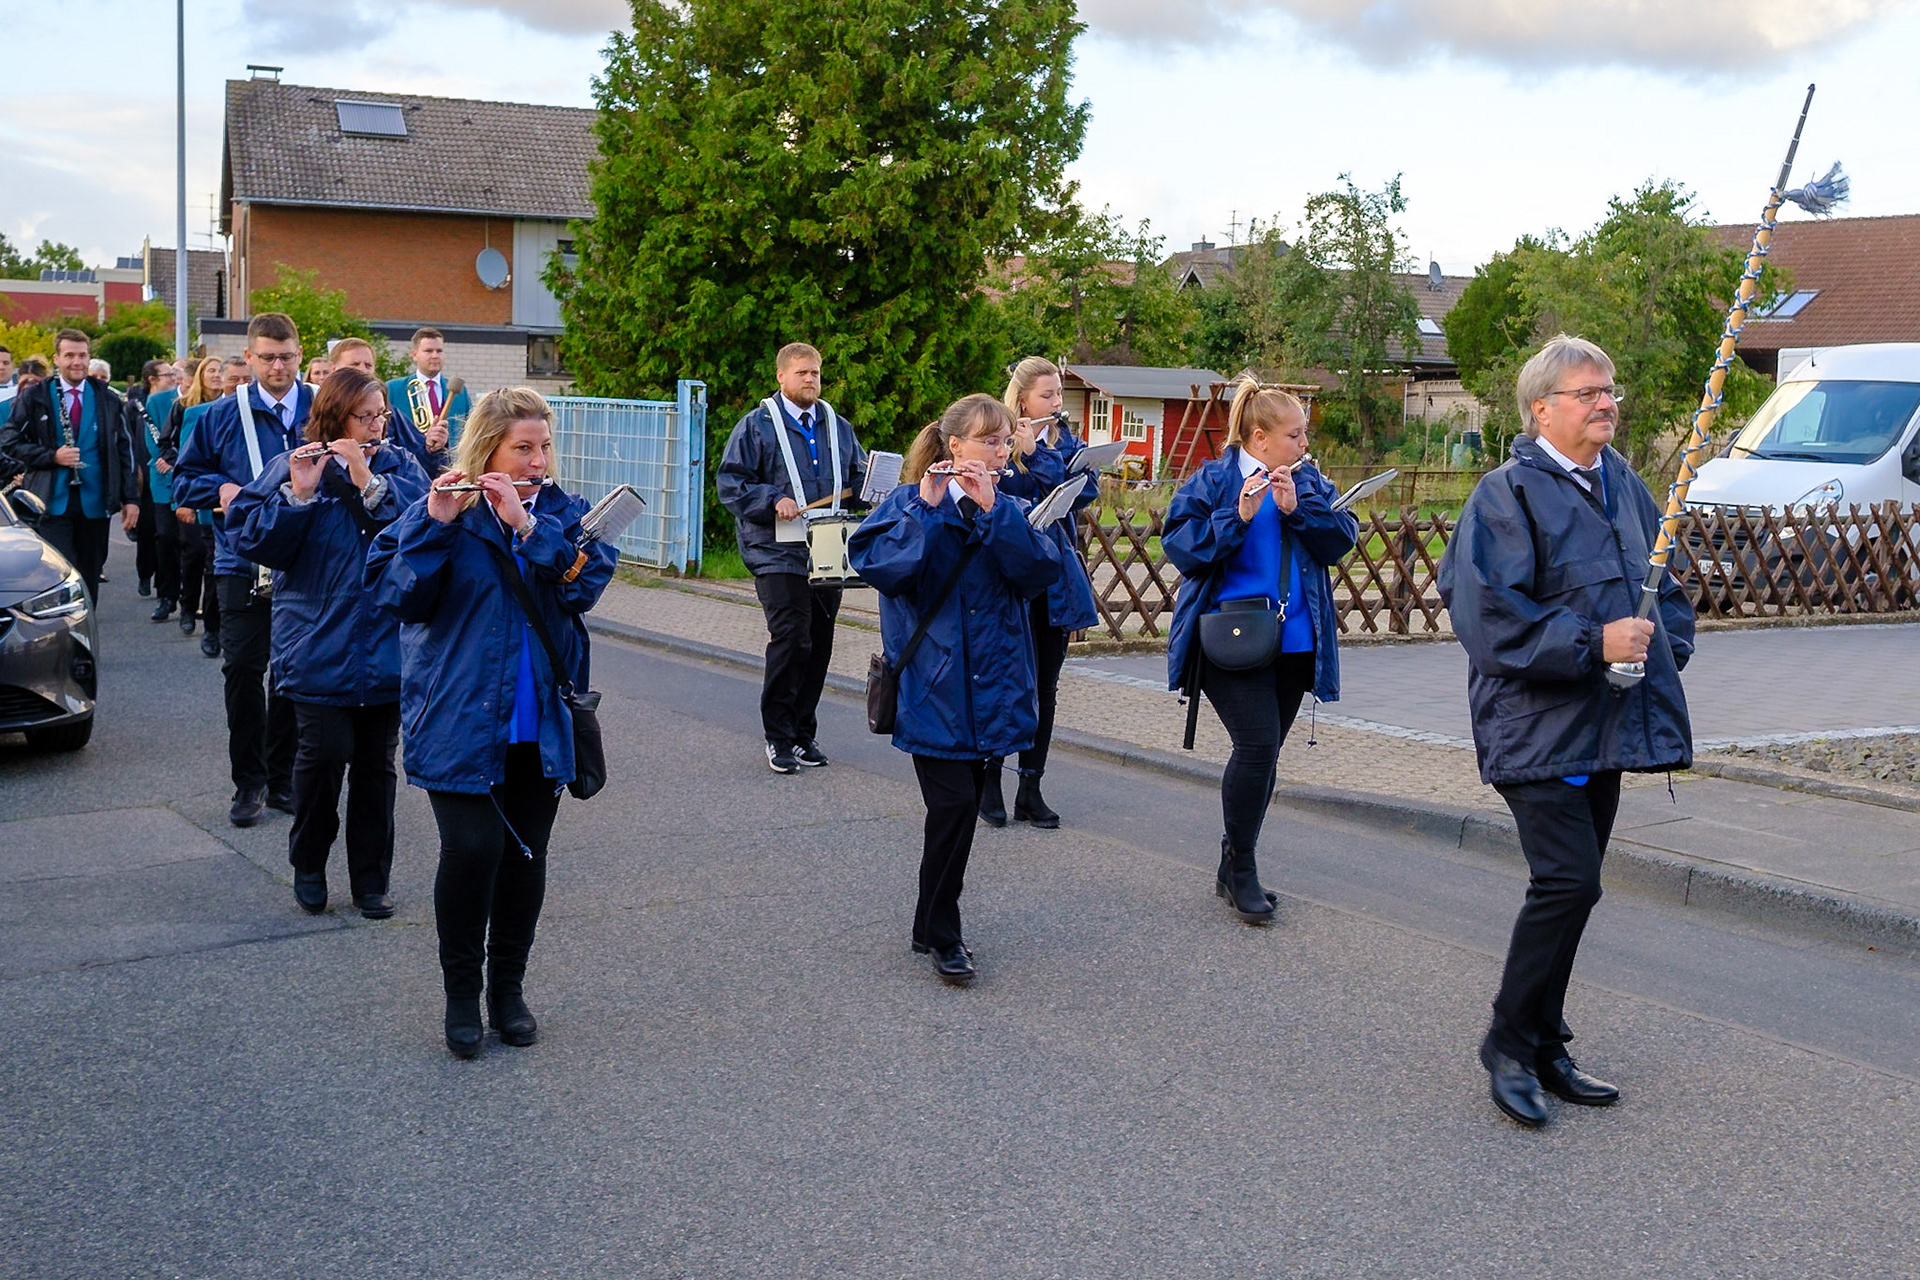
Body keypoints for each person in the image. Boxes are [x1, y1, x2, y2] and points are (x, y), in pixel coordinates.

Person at [1437, 335, 1694, 1129]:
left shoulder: (1625, 485)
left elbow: (1664, 586)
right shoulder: (1504, 496)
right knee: (1568, 882)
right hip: (1535, 728)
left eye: (1609, 389)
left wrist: (1655, 649)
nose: (1606, 403)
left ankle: (1547, 1043)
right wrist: (1593, 645)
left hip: (1606, 722)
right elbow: (1490, 616)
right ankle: (1508, 1043)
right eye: (1588, 393)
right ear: (1542, 408)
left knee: (1576, 889)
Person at [366, 386, 616, 1058]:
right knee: (474, 850)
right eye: (522, 448)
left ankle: (508, 991)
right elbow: (398, 598)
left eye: (543, 447)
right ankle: (459, 994)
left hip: (540, 720)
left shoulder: (566, 516)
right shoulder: (439, 510)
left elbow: (580, 587)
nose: (538, 461)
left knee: (524, 857)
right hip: (457, 711)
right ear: (489, 450)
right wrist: (437, 521)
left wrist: (530, 528)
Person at [848, 394, 1061, 985]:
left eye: (1003, 440)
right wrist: (925, 508)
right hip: (932, 687)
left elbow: (1040, 574)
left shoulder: (1010, 507)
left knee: (956, 816)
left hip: (991, 689)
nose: (999, 451)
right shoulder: (907, 502)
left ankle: (927, 921)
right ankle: (945, 933)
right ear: (954, 446)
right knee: (955, 806)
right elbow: (881, 568)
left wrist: (995, 513)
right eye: (988, 441)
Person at [231, 369, 429, 920]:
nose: (376, 425)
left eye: (381, 415)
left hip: (386, 648)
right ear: (334, 417)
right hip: (317, 644)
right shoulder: (291, 466)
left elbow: (424, 531)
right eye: (364, 416)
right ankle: (309, 863)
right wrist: (298, 497)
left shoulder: (398, 466)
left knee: (376, 771)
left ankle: (371, 880)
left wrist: (370, 482)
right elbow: (250, 539)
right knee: (321, 763)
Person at [1162, 379, 1357, 925]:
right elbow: (1181, 547)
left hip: (1295, 641)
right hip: (1230, 638)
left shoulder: (1308, 478)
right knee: (1256, 746)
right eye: (1295, 435)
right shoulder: (1215, 478)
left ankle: (1233, 862)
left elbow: (1340, 540)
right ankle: (1242, 868)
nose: (1304, 443)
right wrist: (1238, 518)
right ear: (1259, 437)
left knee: (1266, 754)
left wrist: (1299, 510)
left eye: (1303, 434)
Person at [174, 314, 312, 827]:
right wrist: (222, 490)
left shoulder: (322, 408)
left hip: (307, 564)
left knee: (294, 676)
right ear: (249, 359)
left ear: (299, 354)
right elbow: (184, 480)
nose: (278, 366)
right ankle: (248, 782)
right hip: (242, 561)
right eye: (267, 357)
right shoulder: (221, 414)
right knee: (244, 672)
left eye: (287, 356)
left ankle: (283, 779)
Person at [716, 342, 869, 773]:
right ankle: (778, 736)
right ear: (781, 376)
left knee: (819, 642)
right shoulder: (756, 426)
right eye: (802, 372)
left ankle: (803, 733)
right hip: (774, 549)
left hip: (827, 548)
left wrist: (872, 487)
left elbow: (855, 480)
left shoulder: (837, 425)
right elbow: (731, 483)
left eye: (816, 373)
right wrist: (771, 498)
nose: (810, 380)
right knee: (792, 637)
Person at [981, 357, 1102, 829]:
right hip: (1010, 580)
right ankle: (989, 780)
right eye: (1048, 395)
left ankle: (1030, 787)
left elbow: (1081, 489)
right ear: (1023, 398)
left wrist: (1041, 453)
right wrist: (1022, 452)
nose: (1057, 403)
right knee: (1004, 681)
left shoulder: (1059, 441)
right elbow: (1008, 493)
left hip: (1052, 579)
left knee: (1045, 690)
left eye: (1059, 395)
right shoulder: (998, 439)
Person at [0, 328, 141, 597]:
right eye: (69, 356)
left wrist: (130, 498)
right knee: (58, 572)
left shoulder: (108, 397)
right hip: (52, 499)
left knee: (90, 573)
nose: (77, 362)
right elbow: (9, 441)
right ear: (56, 359)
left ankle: (85, 629)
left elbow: (125, 450)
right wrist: (51, 456)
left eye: (82, 355)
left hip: (95, 501)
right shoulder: (35, 396)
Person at [386, 328, 470, 474]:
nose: (435, 356)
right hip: (409, 470)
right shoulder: (393, 389)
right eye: (428, 351)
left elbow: (469, 431)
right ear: (414, 355)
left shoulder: (460, 392)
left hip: (450, 471)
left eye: (439, 351)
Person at [137, 359, 184, 620]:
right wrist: (164, 457)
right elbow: (152, 439)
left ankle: (188, 597)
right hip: (163, 476)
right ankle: (167, 596)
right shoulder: (158, 401)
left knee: (191, 543)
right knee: (165, 536)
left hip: (189, 476)